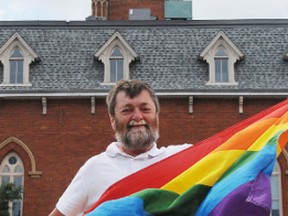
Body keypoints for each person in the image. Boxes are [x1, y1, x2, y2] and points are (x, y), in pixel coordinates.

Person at [49, 80, 192, 216]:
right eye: (127, 110)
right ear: (113, 121)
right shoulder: (95, 168)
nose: (137, 116)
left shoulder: (183, 158)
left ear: (157, 117)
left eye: (145, 109)